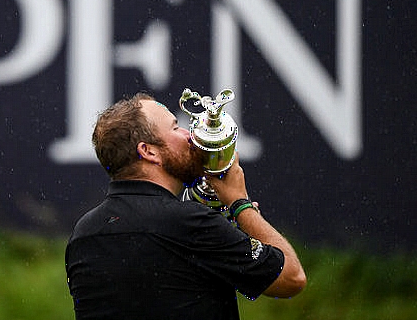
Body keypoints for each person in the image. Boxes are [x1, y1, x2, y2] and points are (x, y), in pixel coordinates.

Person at [65, 93, 306, 320]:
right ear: (148, 152)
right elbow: (291, 278)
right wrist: (239, 203)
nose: (189, 135)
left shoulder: (83, 234)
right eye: (175, 127)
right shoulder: (189, 223)